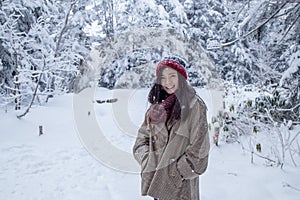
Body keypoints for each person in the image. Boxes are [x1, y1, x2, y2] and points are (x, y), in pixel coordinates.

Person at [133, 56, 210, 200]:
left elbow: (199, 156)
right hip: (156, 186)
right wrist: (147, 160)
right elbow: (140, 141)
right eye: (163, 77)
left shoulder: (195, 106)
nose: (167, 82)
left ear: (181, 77)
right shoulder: (156, 107)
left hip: (180, 189)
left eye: (172, 76)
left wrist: (173, 174)